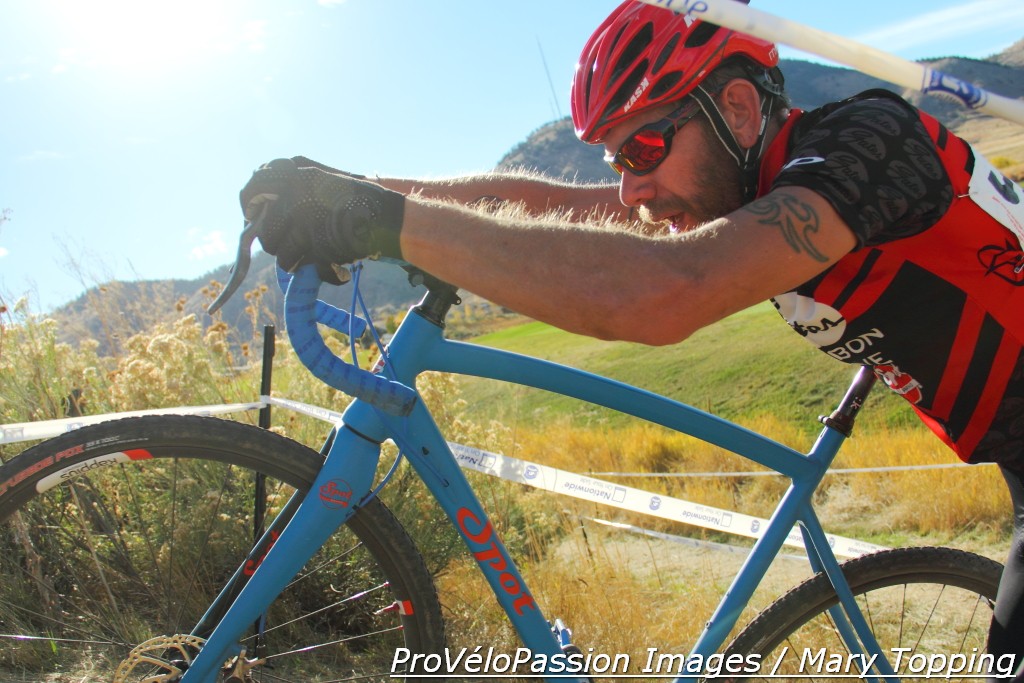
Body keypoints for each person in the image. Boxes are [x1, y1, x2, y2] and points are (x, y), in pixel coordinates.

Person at [238, 0, 1024, 674]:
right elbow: (549, 209)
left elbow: (666, 291)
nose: (629, 188)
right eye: (617, 159)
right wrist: (356, 189)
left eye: (644, 149)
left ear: (739, 110)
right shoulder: (742, 185)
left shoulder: (869, 142)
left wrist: (382, 223)